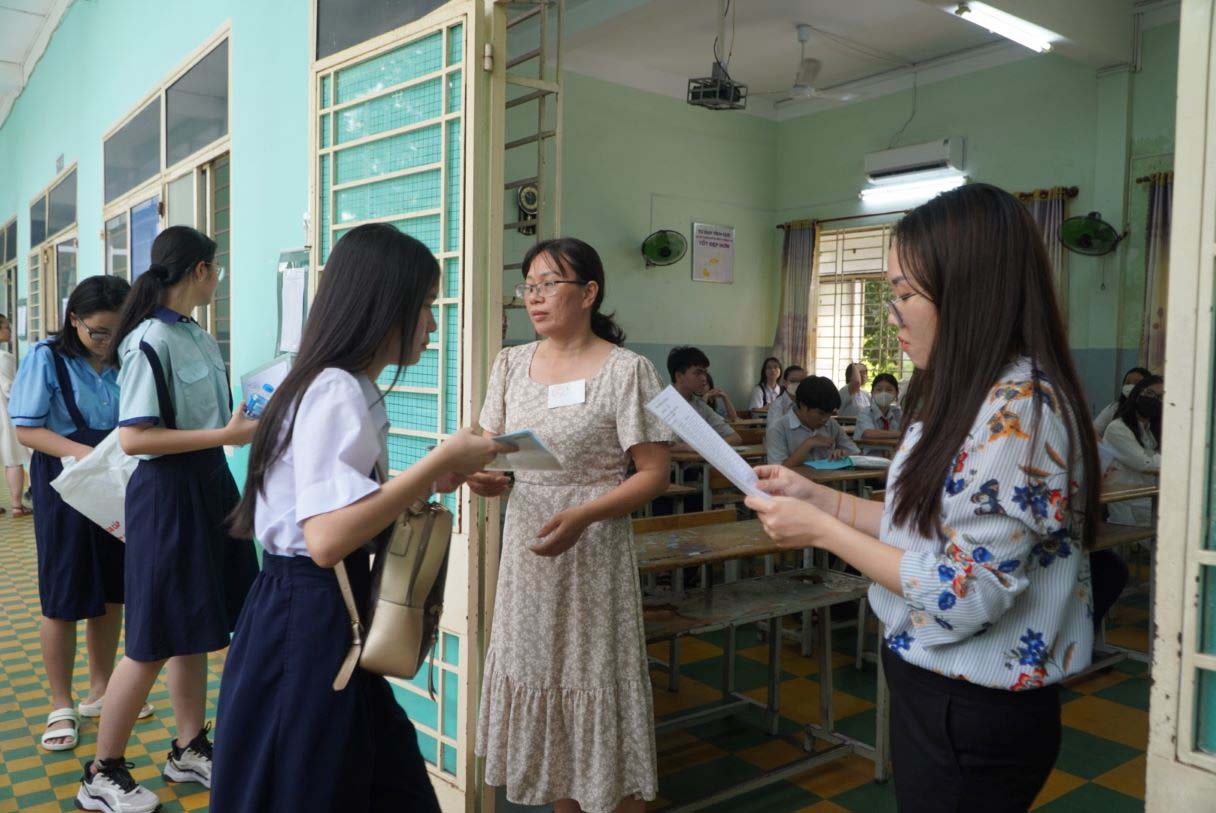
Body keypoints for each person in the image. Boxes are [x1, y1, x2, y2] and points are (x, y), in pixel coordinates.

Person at [745, 183, 1099, 812]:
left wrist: (822, 533)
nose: (893, 312)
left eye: (906, 293)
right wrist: (818, 499)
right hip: (933, 682)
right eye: (890, 292)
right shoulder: (961, 393)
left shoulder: (1019, 408)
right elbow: (923, 527)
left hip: (971, 705)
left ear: (972, 291)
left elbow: (966, 593)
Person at [209, 225, 505, 812]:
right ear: (383, 305)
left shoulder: (327, 383)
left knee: (351, 773)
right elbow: (326, 538)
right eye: (424, 306)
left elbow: (334, 509)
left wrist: (432, 478)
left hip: (307, 609)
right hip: (314, 613)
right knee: (318, 781)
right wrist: (440, 460)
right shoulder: (337, 389)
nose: (432, 324)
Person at [472, 237, 672, 813]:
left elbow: (652, 474)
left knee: (592, 679)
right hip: (529, 550)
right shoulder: (510, 363)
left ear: (588, 293)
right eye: (528, 286)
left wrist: (586, 514)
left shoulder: (628, 370)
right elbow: (493, 451)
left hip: (592, 549)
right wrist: (486, 478)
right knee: (541, 676)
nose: (533, 298)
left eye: (547, 284)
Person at [78, 227, 260, 813]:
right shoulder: (148, 340)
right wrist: (229, 435)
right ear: (201, 271)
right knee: (152, 638)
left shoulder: (197, 336)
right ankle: (101, 773)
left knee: (201, 623)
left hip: (209, 484)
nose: (220, 277)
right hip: (166, 494)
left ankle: (187, 748)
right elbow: (134, 438)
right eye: (218, 268)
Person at [9, 277, 135, 753]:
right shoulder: (47, 357)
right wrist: (87, 456)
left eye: (116, 332)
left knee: (112, 588)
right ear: (74, 320)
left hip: (116, 478)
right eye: (99, 333)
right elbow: (27, 431)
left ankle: (101, 689)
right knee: (63, 592)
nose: (107, 342)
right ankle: (60, 702)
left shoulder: (128, 355)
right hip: (65, 481)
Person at [1102, 374, 1162, 528]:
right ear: (1137, 395)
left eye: (1160, 397)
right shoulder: (1117, 428)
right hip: (1128, 504)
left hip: (1145, 499)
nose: (1155, 399)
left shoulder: (1148, 431)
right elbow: (1146, 463)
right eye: (1150, 393)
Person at [765, 376, 859, 466]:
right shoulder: (778, 428)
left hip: (826, 481)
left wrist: (842, 453)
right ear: (803, 406)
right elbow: (777, 471)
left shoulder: (831, 424)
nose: (825, 419)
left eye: (829, 413)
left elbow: (856, 453)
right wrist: (808, 444)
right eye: (821, 413)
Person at [667, 345, 742, 448]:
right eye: (697, 373)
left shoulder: (700, 405)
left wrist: (697, 447)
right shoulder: (661, 404)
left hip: (698, 463)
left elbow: (735, 438)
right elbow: (663, 447)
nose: (704, 378)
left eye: (705, 372)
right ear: (679, 376)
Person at [0, 313, 31, 515]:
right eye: (6, 327)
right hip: (4, 412)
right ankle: (17, 505)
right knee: (13, 457)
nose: (10, 332)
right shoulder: (4, 357)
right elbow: (9, 388)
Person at [1093, 366, 1152, 437]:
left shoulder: (1152, 409)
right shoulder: (1114, 408)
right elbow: (1093, 432)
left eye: (1136, 383)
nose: (1131, 386)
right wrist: (1106, 446)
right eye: (1127, 383)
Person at [855, 373, 903, 455]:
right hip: (870, 459)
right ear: (872, 393)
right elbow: (869, 433)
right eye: (879, 390)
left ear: (896, 393)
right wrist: (900, 434)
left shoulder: (898, 413)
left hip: (893, 457)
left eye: (889, 390)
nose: (883, 393)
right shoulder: (865, 412)